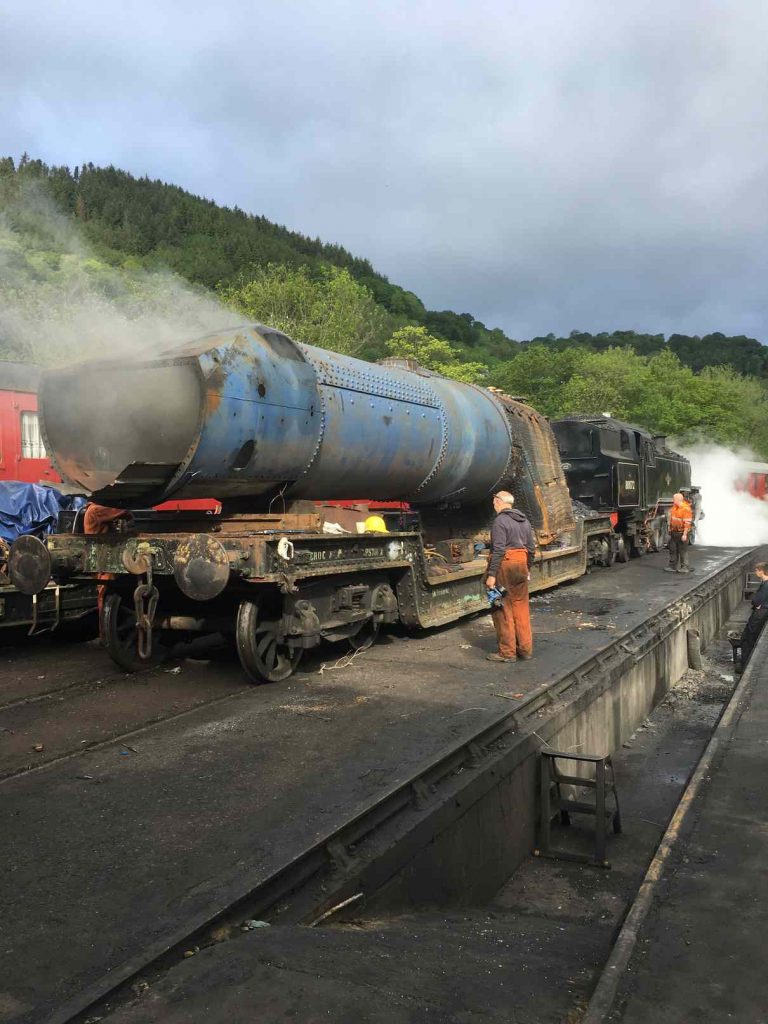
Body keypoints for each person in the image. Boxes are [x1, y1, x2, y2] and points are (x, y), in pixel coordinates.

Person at [485, 490, 536, 662]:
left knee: (502, 608)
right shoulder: (525, 521)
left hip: (504, 567)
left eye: (494, 502)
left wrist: (491, 575)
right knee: (521, 607)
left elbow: (498, 549)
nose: (493, 505)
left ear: (499, 502)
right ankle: (525, 649)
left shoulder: (500, 521)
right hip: (521, 564)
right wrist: (527, 568)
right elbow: (531, 549)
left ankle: (507, 652)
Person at [741, 562, 768, 667]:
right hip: (762, 611)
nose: (756, 572)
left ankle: (745, 663)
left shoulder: (766, 585)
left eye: (757, 570)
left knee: (748, 637)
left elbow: (756, 600)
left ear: (762, 571)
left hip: (760, 614)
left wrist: (756, 603)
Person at [665, 492, 694, 573]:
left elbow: (687, 523)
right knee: (673, 549)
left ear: (678, 499)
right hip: (674, 532)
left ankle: (685, 567)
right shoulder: (674, 507)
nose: (672, 500)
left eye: (674, 499)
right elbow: (672, 518)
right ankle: (672, 566)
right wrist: (669, 528)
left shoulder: (685, 509)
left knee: (682, 550)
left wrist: (684, 534)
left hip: (682, 532)